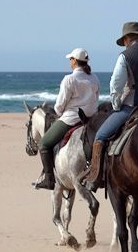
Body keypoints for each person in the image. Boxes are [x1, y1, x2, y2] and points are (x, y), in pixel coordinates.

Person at [83, 21, 138, 187]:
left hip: (133, 105)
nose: (124, 44)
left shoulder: (125, 56)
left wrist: (116, 106)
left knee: (100, 135)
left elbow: (115, 85)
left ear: (128, 38)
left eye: (124, 41)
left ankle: (96, 178)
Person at [35, 47, 100, 190]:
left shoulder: (69, 79)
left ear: (75, 61)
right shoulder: (94, 78)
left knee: (44, 144)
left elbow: (59, 105)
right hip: (91, 119)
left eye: (71, 59)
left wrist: (59, 112)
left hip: (72, 119)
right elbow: (96, 99)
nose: (70, 61)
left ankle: (49, 179)